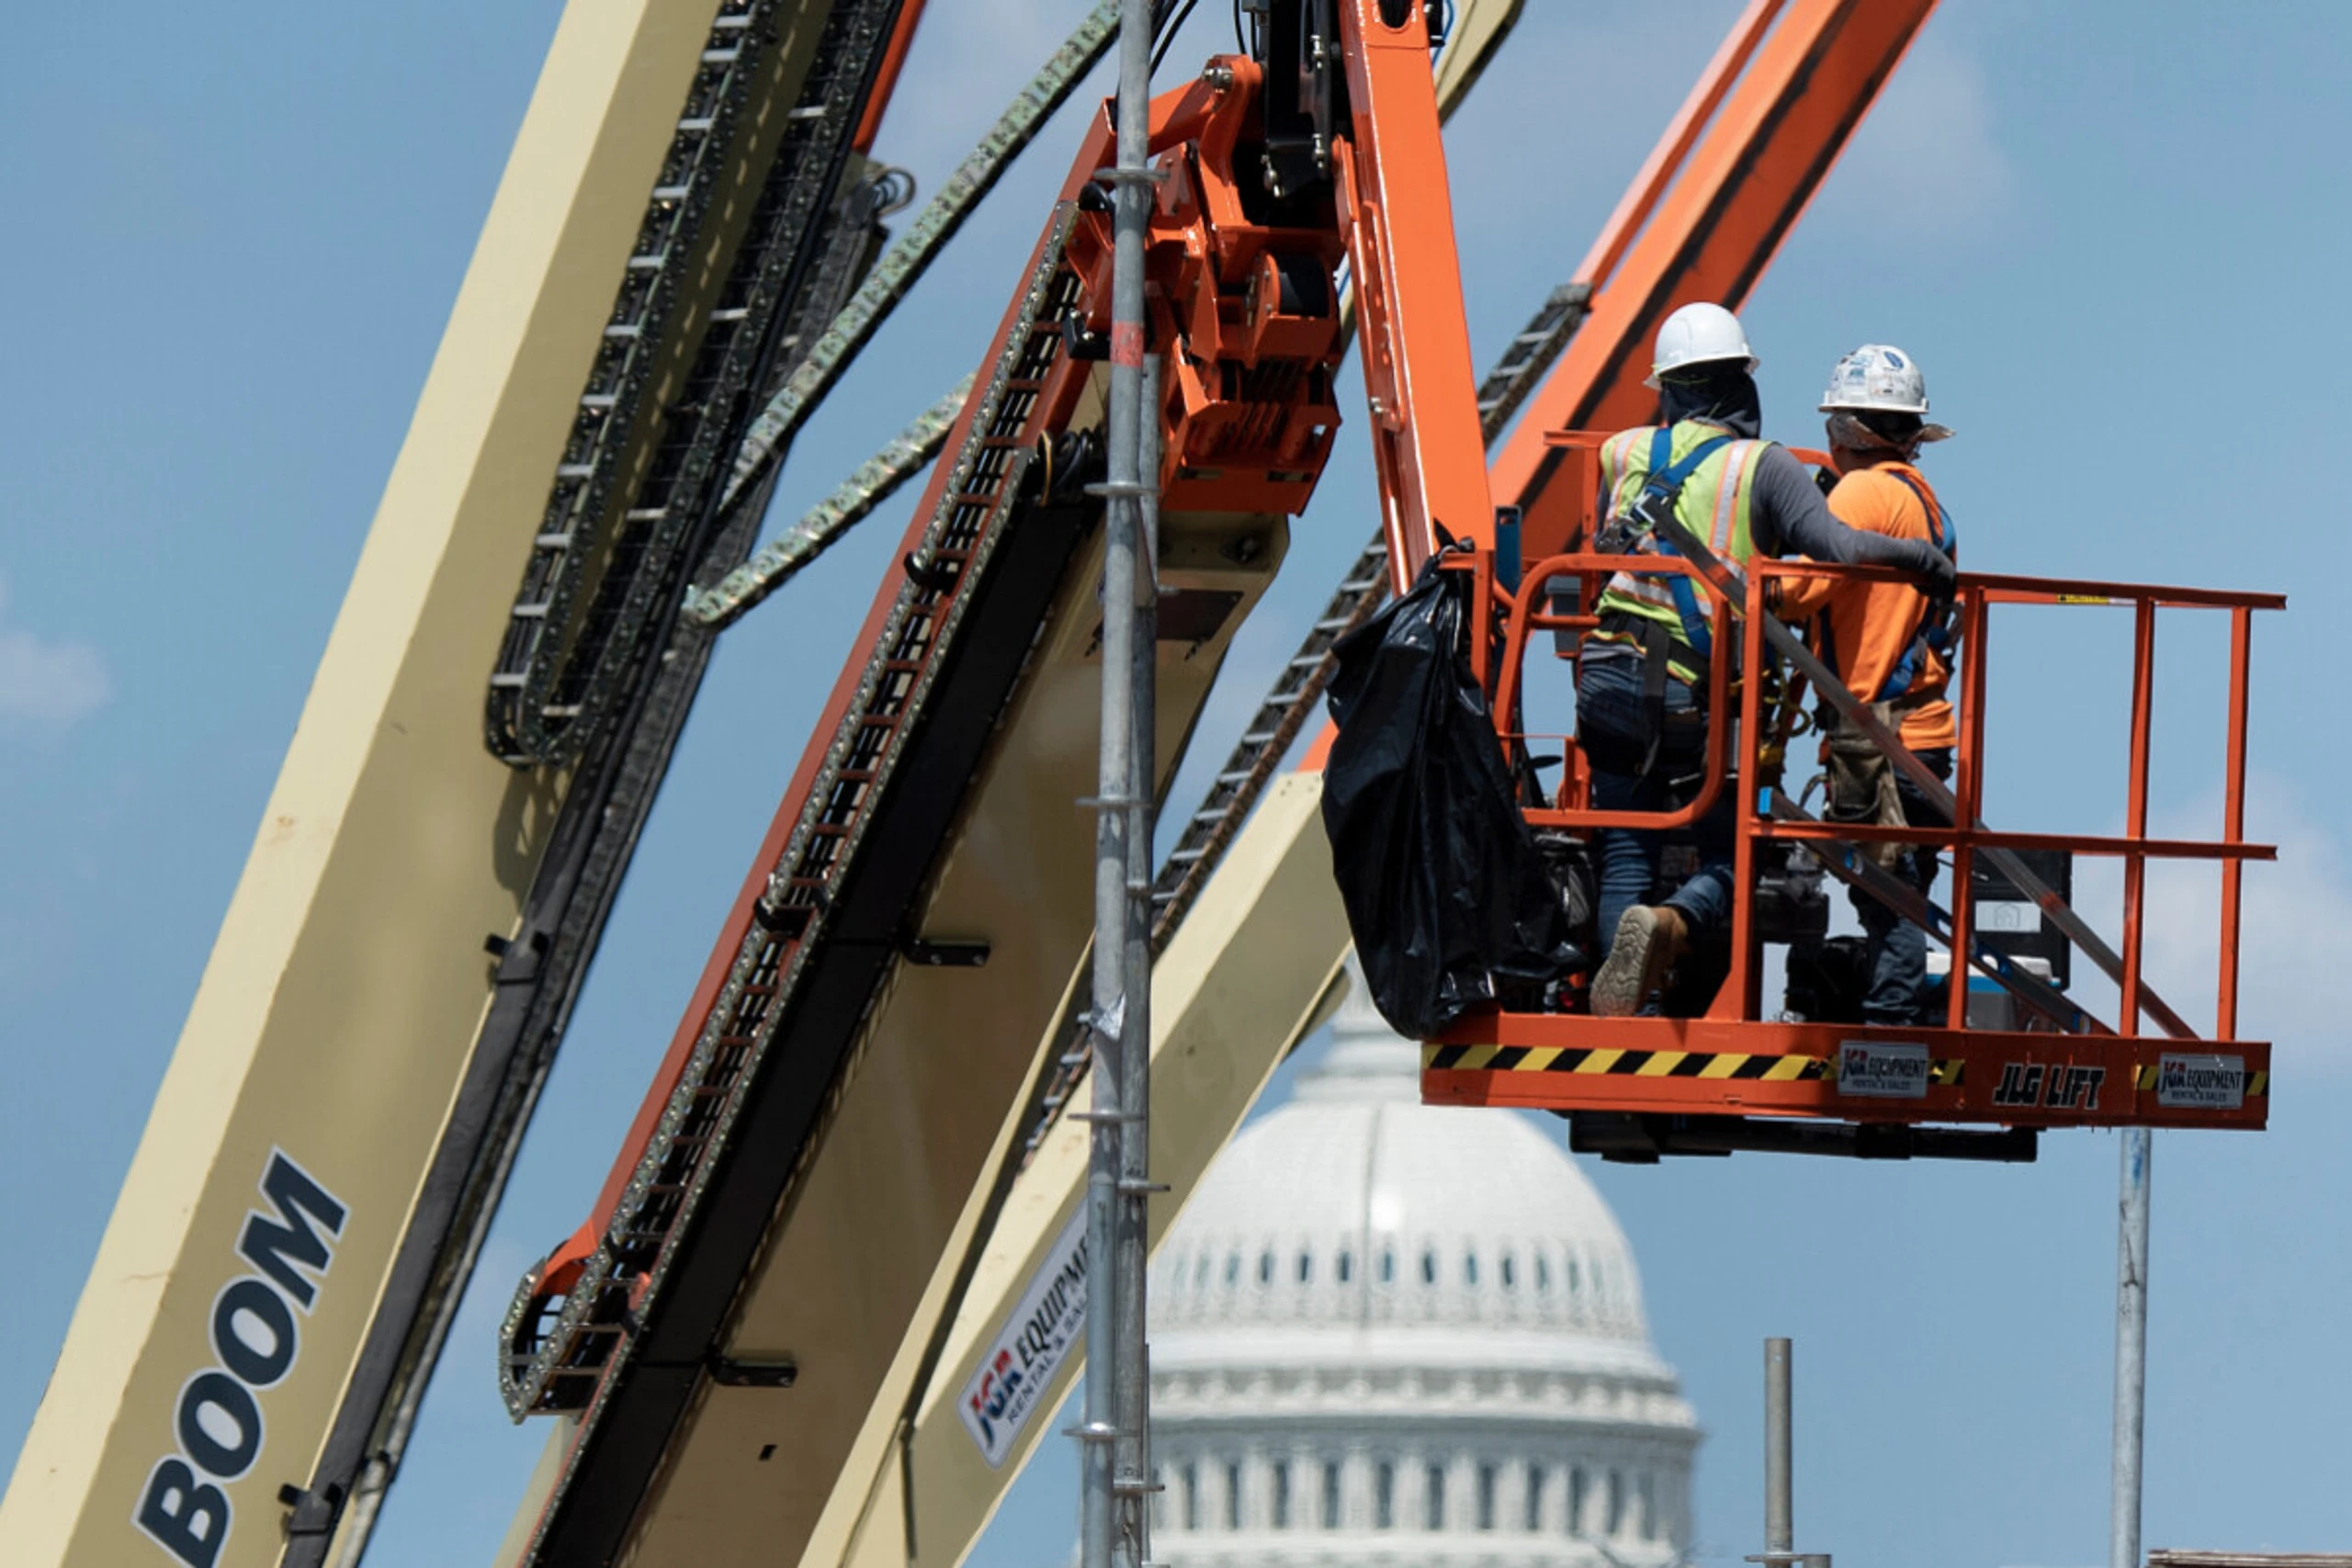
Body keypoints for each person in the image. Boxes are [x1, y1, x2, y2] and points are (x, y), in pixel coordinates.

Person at [1578, 305, 1955, 1020]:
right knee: (1739, 850)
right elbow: (1831, 555)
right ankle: (1674, 922)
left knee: (1625, 850)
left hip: (1608, 676)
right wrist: (1920, 562)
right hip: (1704, 695)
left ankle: (1619, 1022)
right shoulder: (1769, 466)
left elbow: (1602, 551)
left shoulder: (1618, 451)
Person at [1772, 344, 1959, 1025]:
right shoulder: (1923, 499)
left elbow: (1793, 592)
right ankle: (1891, 1013)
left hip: (1879, 737)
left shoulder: (1859, 493)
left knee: (1887, 896)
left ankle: (1890, 1027)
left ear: (1843, 431)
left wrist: (1748, 569)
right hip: (1929, 734)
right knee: (1902, 892)